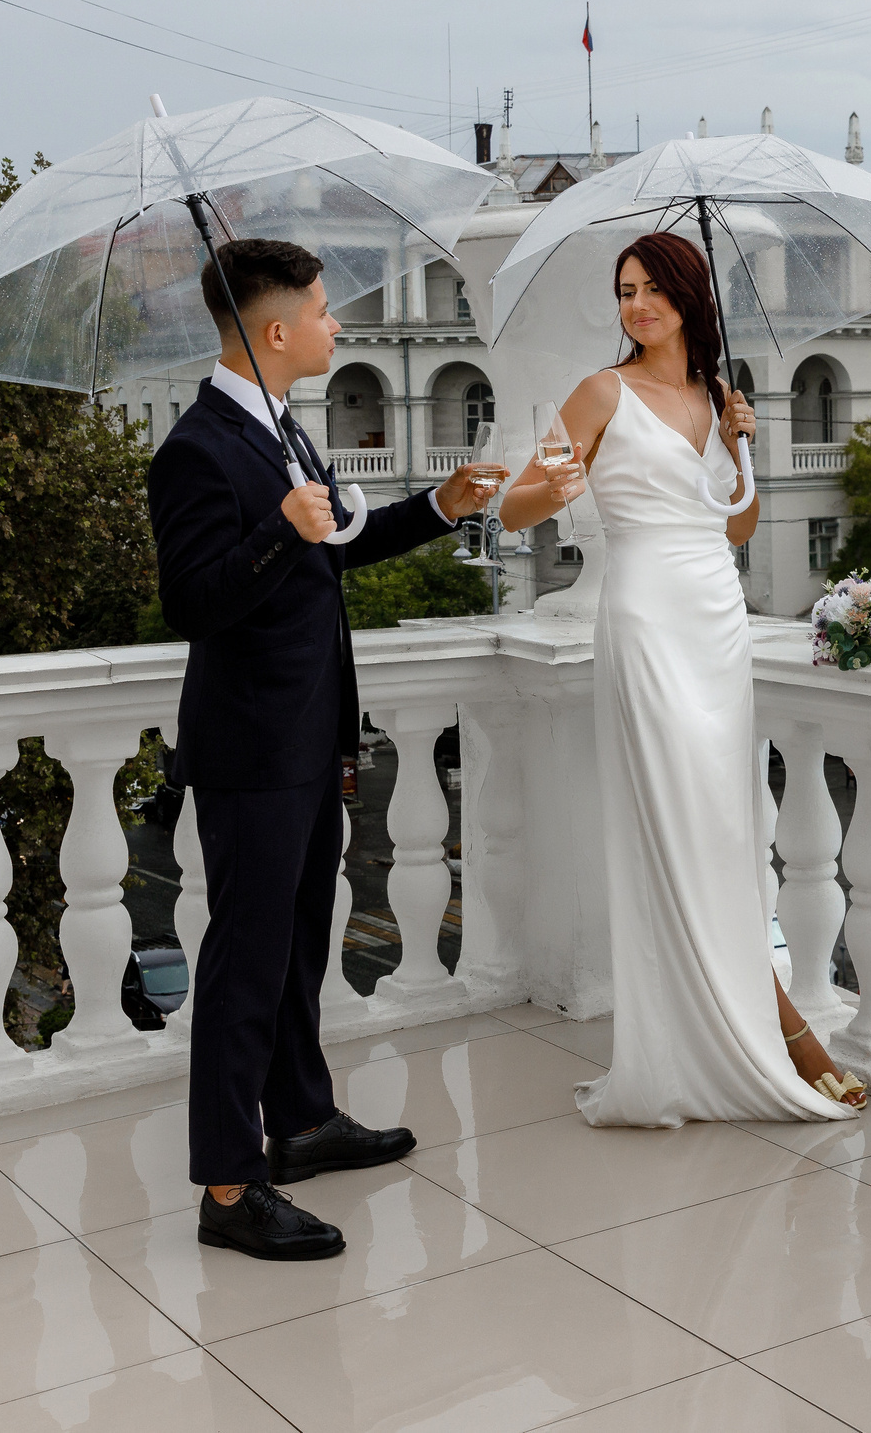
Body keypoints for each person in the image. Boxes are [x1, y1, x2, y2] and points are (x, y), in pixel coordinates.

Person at [150, 237, 502, 1259]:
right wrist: (276, 533)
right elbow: (193, 603)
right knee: (244, 965)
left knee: (303, 941)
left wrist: (443, 506)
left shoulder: (285, 432)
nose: (335, 325)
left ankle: (299, 1123)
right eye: (321, 310)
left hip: (309, 732)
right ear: (274, 331)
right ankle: (227, 1189)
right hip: (252, 746)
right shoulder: (197, 449)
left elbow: (337, 540)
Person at [499, 231, 866, 1126]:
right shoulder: (600, 391)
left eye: (653, 289)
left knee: (727, 831)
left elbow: (736, 532)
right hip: (649, 620)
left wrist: (742, 445)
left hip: (717, 624)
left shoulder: (718, 395)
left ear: (688, 294)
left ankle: (751, 1021)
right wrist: (556, 486)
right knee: (680, 828)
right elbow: (514, 505)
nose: (637, 306)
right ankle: (783, 1034)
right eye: (625, 291)